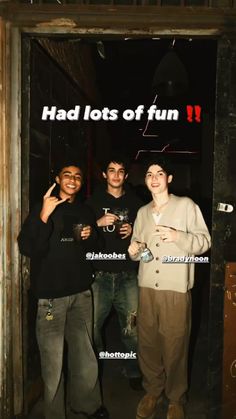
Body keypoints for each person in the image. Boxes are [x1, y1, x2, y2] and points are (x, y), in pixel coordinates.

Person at [18, 162, 109, 419]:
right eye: (67, 175)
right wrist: (43, 216)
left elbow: (96, 247)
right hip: (50, 299)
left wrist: (92, 235)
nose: (72, 179)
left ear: (81, 183)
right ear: (58, 179)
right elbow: (27, 247)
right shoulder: (43, 207)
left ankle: (87, 405)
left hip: (81, 294)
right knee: (52, 362)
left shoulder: (85, 211)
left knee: (85, 356)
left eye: (78, 176)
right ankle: (55, 414)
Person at [128, 158, 211, 419]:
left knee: (175, 345)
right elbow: (140, 249)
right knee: (148, 343)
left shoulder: (186, 206)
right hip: (147, 289)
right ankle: (153, 391)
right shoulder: (142, 213)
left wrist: (178, 237)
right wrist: (136, 251)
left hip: (175, 290)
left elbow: (204, 242)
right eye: (150, 174)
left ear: (169, 178)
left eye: (159, 173)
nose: (154, 178)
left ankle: (176, 398)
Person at [86, 155, 143, 390]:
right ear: (104, 175)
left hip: (128, 275)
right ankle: (94, 370)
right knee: (92, 328)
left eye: (121, 171)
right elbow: (80, 238)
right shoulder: (91, 202)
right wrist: (96, 223)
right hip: (99, 275)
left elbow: (145, 239)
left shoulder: (137, 202)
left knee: (133, 330)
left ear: (126, 176)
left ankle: (133, 372)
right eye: (112, 170)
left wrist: (134, 230)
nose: (116, 175)